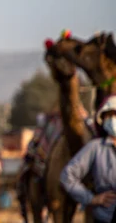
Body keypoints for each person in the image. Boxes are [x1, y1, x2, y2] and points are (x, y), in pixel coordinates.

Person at [61, 94, 116, 223]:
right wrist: (91, 198)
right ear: (103, 120)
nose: (113, 119)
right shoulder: (95, 148)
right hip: (105, 217)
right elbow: (67, 175)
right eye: (109, 115)